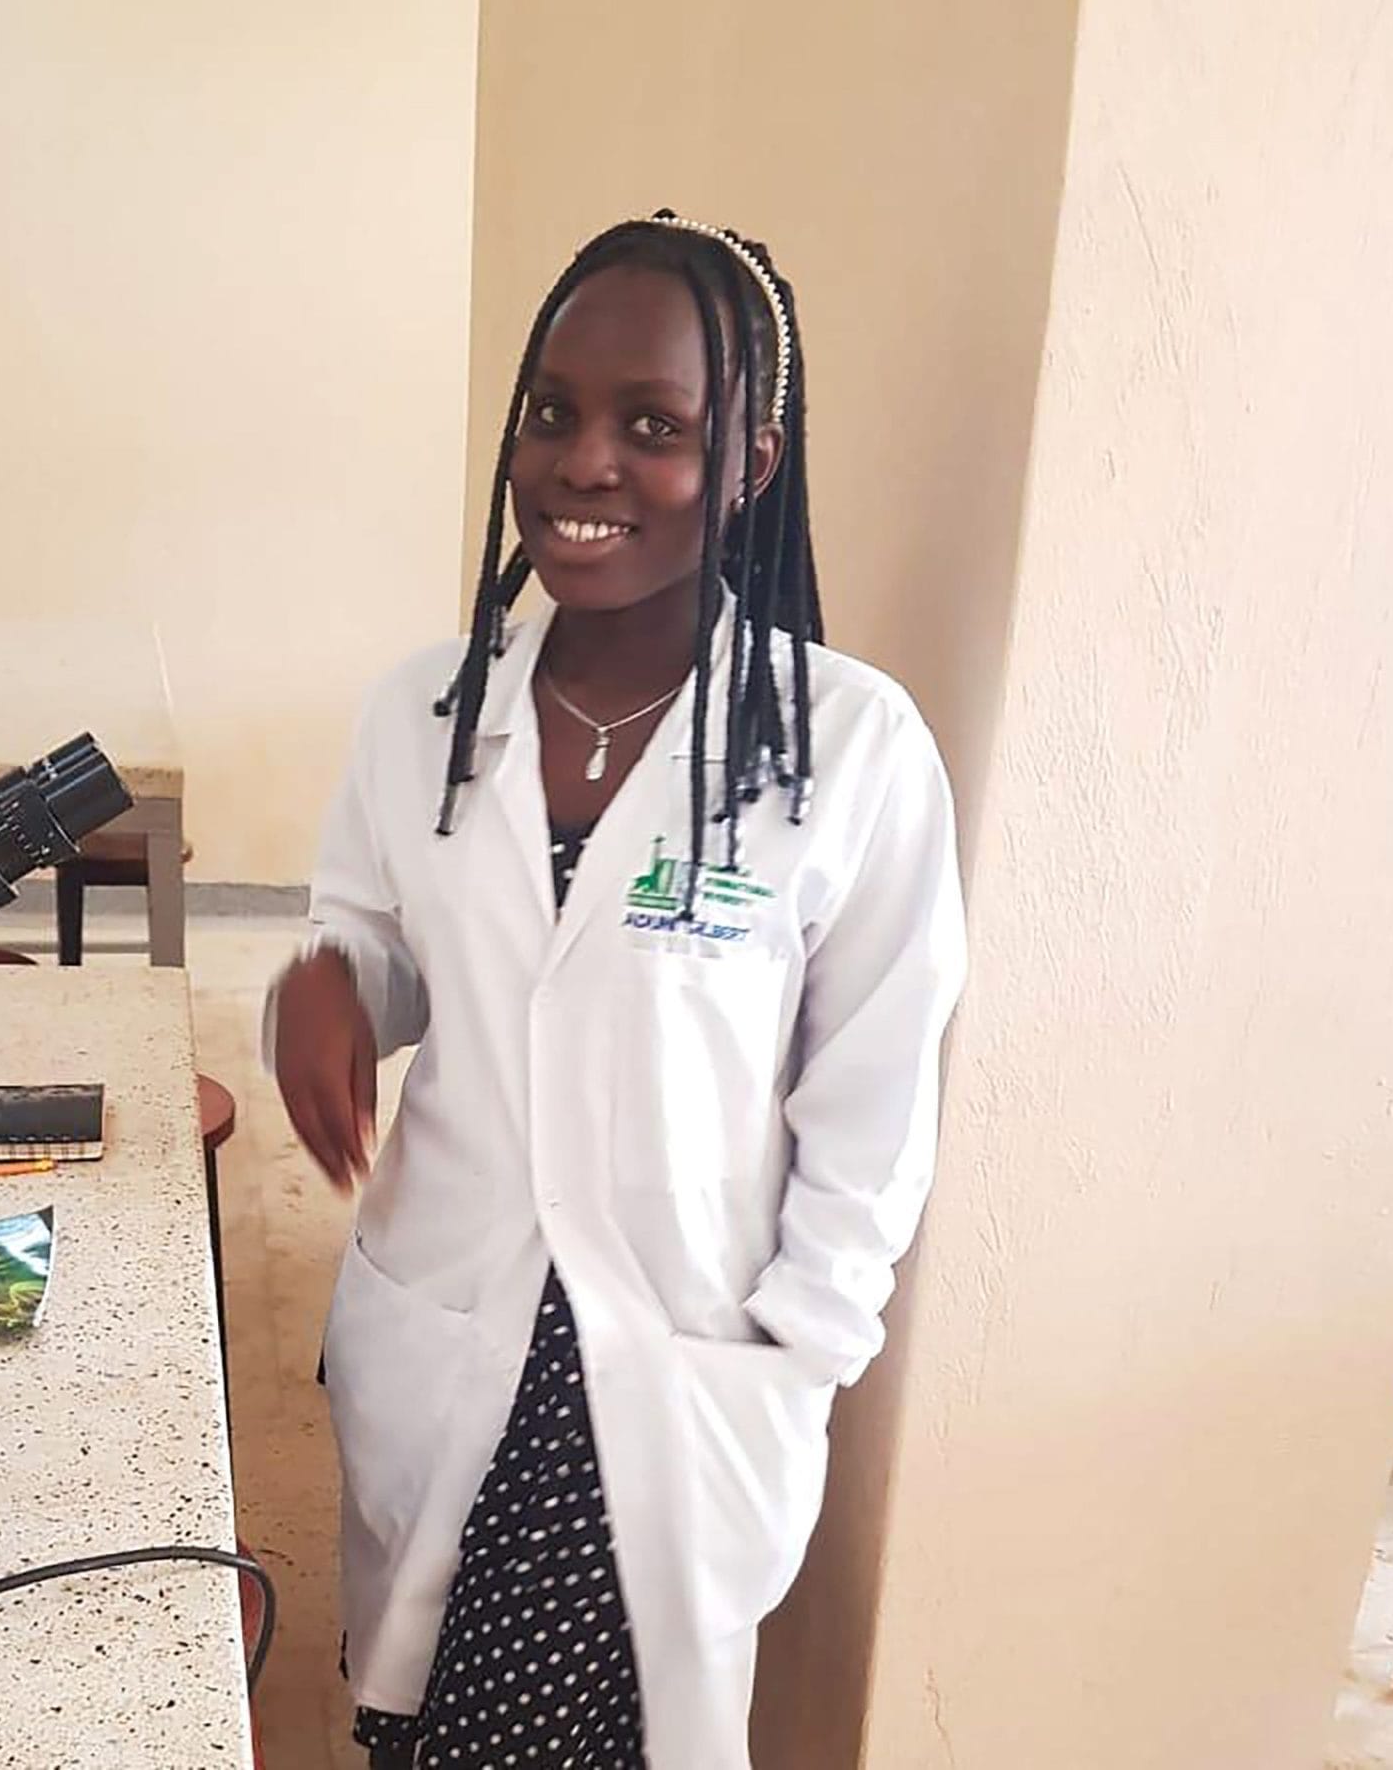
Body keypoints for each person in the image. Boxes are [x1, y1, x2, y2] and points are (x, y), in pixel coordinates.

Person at [268, 211, 967, 1770]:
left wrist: (796, 1353)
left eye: (656, 428)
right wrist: (323, 988)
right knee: (412, 1709)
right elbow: (366, 941)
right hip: (455, 1321)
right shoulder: (424, 715)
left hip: (675, 1363)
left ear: (751, 463)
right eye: (553, 413)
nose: (586, 464)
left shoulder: (844, 752)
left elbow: (874, 1085)